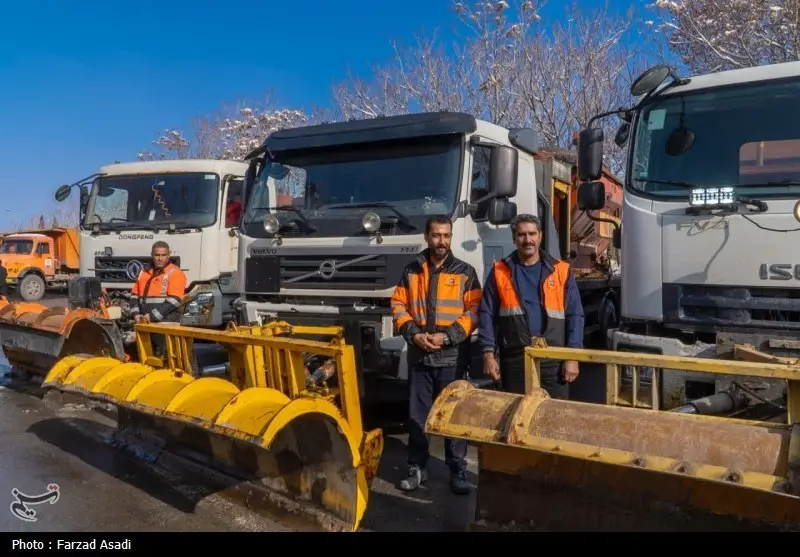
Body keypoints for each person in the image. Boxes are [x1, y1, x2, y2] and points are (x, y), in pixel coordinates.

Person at [390, 215, 481, 495]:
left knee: (454, 416)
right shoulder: (411, 270)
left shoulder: (465, 271)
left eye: (447, 236)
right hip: (420, 355)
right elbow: (397, 304)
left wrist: (447, 337)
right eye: (437, 236)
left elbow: (473, 313)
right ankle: (417, 468)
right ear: (427, 237)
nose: (442, 241)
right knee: (417, 417)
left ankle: (458, 470)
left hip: (451, 358)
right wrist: (414, 334)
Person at [478, 214, 585, 399]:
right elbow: (486, 314)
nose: (527, 240)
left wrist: (573, 355)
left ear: (540, 236)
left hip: (554, 358)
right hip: (515, 358)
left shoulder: (561, 271)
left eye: (532, 234)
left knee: (554, 415)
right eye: (521, 235)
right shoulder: (500, 272)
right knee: (516, 415)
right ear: (514, 238)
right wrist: (488, 354)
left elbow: (575, 315)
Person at [129, 241, 188, 355]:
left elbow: (174, 301)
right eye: (157, 255)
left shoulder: (175, 273)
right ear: (152, 255)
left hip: (167, 325)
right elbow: (134, 296)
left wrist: (151, 316)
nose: (160, 258)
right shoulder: (144, 273)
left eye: (163, 255)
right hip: (146, 326)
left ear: (168, 255)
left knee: (171, 359)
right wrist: (136, 315)